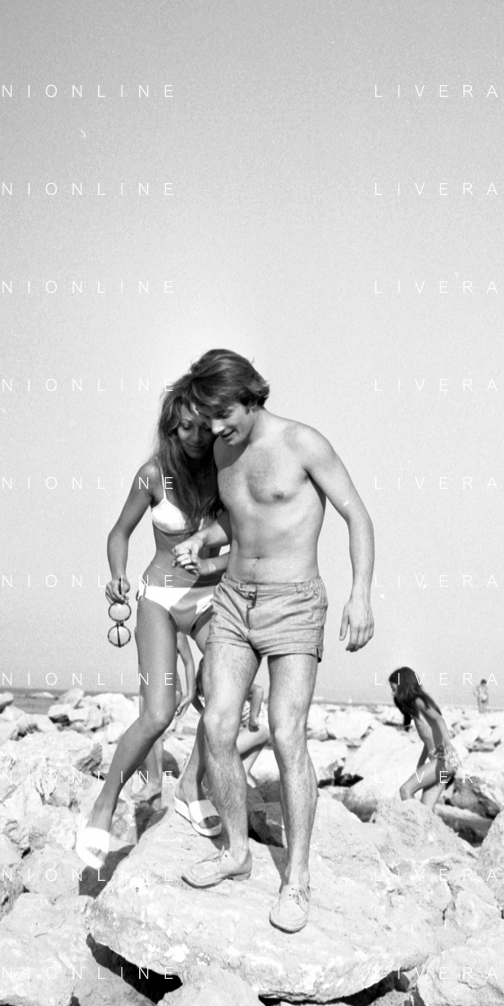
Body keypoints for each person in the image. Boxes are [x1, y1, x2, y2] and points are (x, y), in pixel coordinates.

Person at [171, 349, 375, 933]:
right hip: (235, 600)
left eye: (224, 415)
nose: (216, 429)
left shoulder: (303, 443)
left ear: (250, 397)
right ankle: (236, 852)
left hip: (295, 604)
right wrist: (206, 540)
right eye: (208, 419)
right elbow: (241, 517)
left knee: (286, 733)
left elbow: (357, 516)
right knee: (217, 725)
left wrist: (360, 595)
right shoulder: (223, 450)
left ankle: (298, 879)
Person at [76, 379, 229, 869]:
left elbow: (246, 541)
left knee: (226, 695)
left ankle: (191, 787)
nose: (196, 437)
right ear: (170, 428)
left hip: (211, 598)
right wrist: (117, 574)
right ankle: (105, 805)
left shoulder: (226, 471)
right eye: (185, 427)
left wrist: (213, 564)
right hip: (159, 599)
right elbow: (119, 532)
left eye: (203, 427)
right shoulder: (152, 475)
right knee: (158, 713)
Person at [179, 664, 270, 786]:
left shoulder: (231, 684)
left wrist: (253, 717)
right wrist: (202, 711)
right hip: (255, 728)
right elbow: (193, 695)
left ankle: (195, 778)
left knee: (220, 753)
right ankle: (255, 796)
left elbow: (258, 690)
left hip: (259, 726)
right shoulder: (205, 684)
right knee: (242, 770)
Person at [390, 667, 458, 806]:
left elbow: (439, 719)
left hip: (444, 760)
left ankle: (414, 818)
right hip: (445, 762)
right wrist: (421, 762)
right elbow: (429, 741)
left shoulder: (418, 701)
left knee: (405, 790)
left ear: (403, 686)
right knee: (426, 809)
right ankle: (421, 820)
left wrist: (447, 742)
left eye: (394, 689)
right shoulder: (415, 709)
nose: (393, 693)